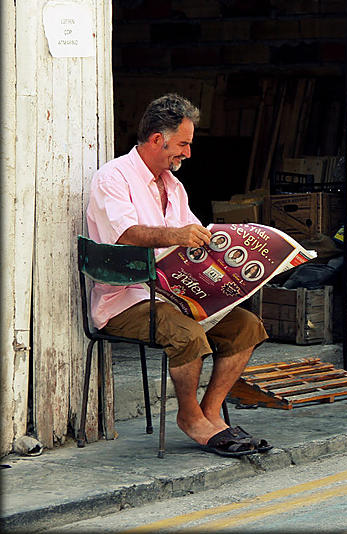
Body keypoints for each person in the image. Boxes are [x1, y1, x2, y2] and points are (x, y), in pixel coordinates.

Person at [86, 93, 271, 457]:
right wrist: (177, 236)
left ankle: (210, 412)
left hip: (177, 295)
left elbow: (192, 238)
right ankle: (189, 416)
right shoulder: (113, 177)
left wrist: (237, 249)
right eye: (183, 144)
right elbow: (125, 235)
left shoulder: (174, 186)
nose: (187, 153)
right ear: (158, 139)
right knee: (186, 334)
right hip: (125, 300)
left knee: (247, 326)